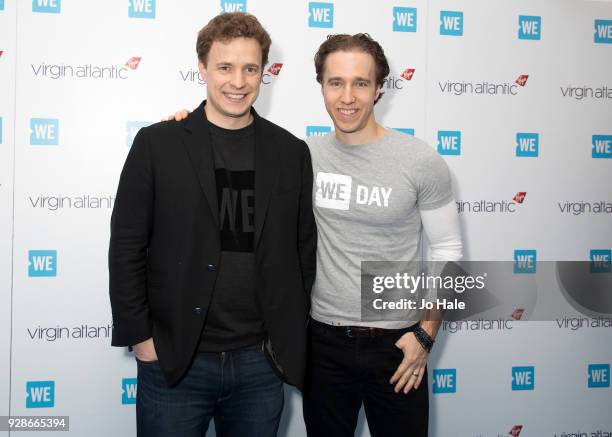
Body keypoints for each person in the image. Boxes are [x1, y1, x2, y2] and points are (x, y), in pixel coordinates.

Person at [169, 32, 462, 437]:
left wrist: (426, 333)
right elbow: (224, 145)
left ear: (379, 88)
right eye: (336, 82)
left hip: (398, 344)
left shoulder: (419, 159)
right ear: (321, 86)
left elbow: (447, 246)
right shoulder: (299, 156)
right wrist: (185, 127)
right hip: (321, 343)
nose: (348, 97)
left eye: (361, 83)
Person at [109, 12, 316, 437]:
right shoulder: (158, 144)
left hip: (260, 364)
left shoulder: (291, 152)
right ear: (202, 68)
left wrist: (288, 339)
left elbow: (302, 250)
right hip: (177, 360)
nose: (238, 82)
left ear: (263, 72)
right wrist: (142, 341)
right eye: (225, 67)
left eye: (250, 68)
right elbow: (127, 246)